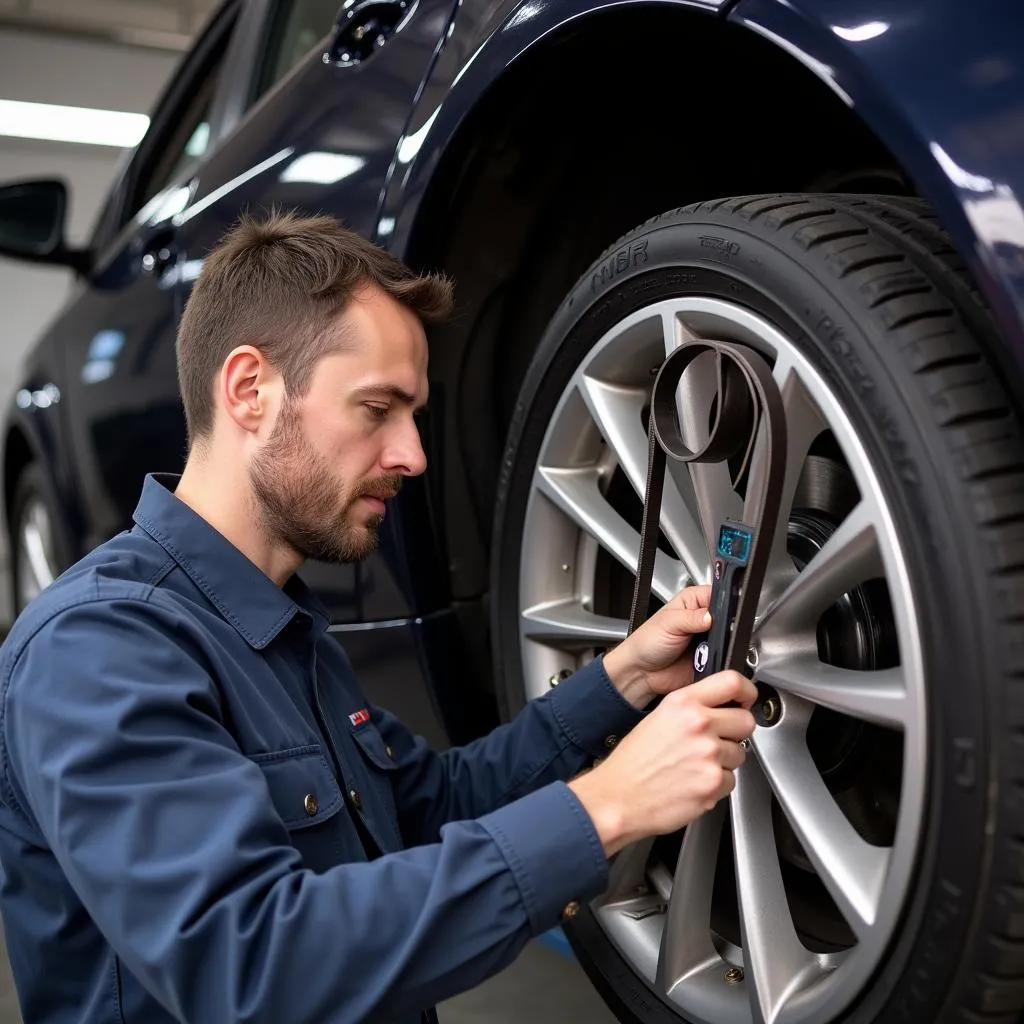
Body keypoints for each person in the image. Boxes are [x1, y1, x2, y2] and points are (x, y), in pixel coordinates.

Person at [0, 211, 757, 1024]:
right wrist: (607, 807)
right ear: (250, 390)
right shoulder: (99, 647)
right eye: (376, 409)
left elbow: (431, 803)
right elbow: (252, 967)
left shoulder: (284, 632)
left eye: (415, 415)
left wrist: (625, 678)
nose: (413, 454)